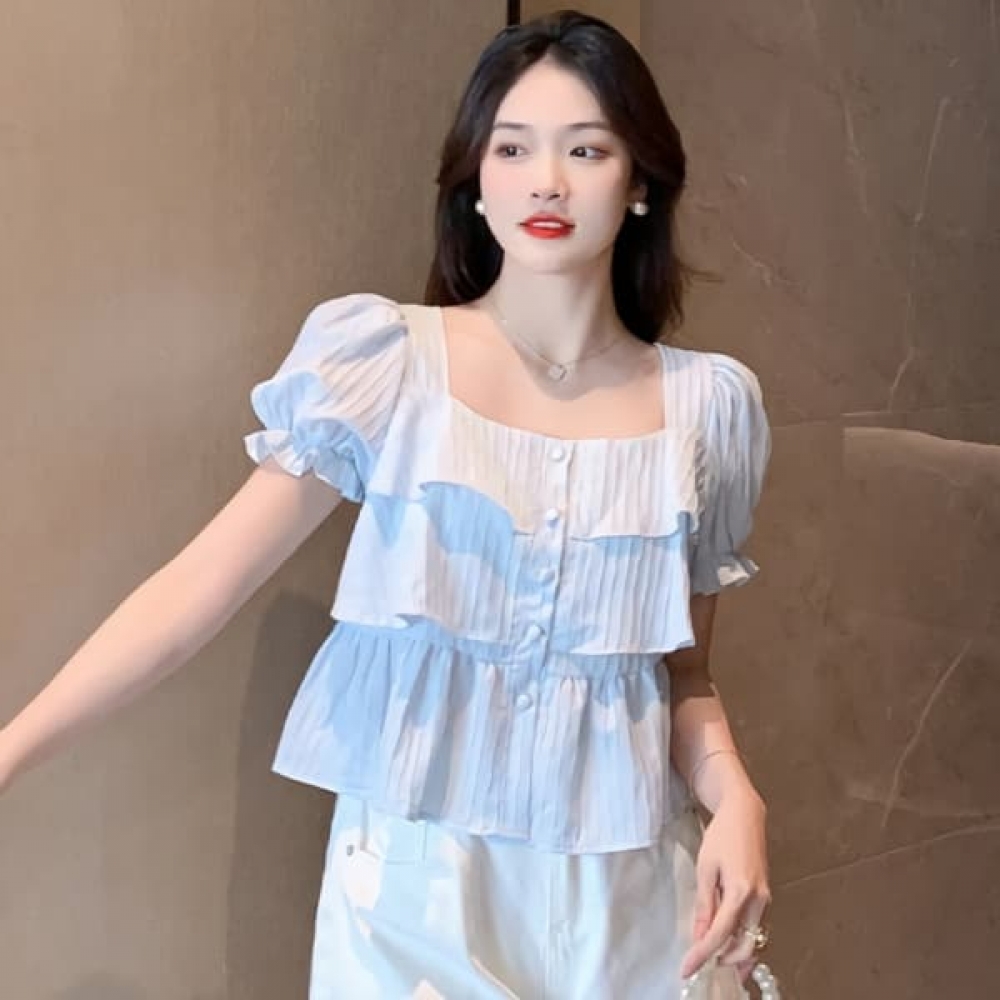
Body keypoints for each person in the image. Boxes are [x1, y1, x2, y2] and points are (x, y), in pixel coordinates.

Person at [0, 10, 777, 999]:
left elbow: (683, 674)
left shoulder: (708, 408)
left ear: (639, 183)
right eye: (512, 147)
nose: (545, 180)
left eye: (585, 149)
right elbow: (198, 589)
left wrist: (736, 798)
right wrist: (10, 750)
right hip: (416, 895)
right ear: (475, 180)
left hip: (632, 903)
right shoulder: (386, 365)